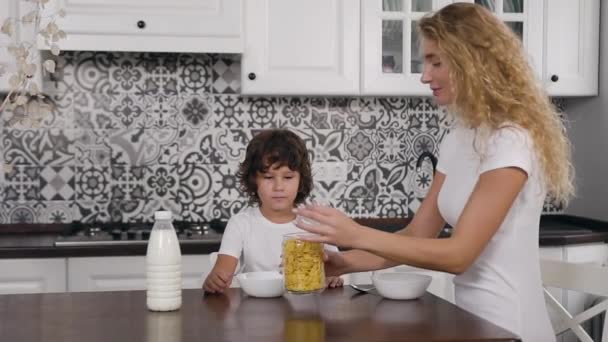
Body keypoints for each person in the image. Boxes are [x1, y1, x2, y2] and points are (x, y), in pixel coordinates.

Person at [294, 3, 573, 341]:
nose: (425, 75)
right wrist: (347, 262)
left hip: (510, 328)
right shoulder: (458, 138)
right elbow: (417, 235)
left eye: (436, 62)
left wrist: (355, 233)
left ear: (473, 62)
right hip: (470, 325)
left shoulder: (511, 141)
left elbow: (459, 255)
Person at [203, 129, 344, 294]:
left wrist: (333, 277)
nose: (279, 187)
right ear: (254, 180)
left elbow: (335, 268)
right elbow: (222, 272)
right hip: (256, 310)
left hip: (308, 309)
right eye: (269, 177)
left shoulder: (317, 222)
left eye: (288, 177)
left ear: (301, 180)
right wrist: (214, 281)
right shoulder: (241, 223)